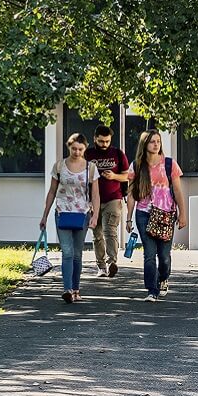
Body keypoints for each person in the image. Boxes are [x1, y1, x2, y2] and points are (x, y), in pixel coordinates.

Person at [125, 129, 187, 302]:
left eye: (158, 141)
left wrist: (183, 214)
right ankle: (152, 290)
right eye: (152, 141)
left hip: (166, 214)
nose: (156, 144)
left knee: (164, 256)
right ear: (145, 144)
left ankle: (163, 278)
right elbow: (131, 194)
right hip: (144, 213)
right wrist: (129, 218)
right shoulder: (136, 166)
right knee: (149, 254)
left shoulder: (169, 164)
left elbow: (177, 190)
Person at [40, 133, 101, 303]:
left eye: (80, 149)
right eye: (74, 148)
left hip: (82, 213)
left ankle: (76, 289)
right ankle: (67, 289)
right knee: (67, 252)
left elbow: (95, 195)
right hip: (62, 212)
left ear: (85, 148)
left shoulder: (91, 168)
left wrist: (95, 215)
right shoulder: (59, 166)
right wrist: (44, 215)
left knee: (77, 254)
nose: (77, 152)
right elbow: (52, 191)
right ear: (69, 147)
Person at [85, 125, 130, 277]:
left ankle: (112, 262)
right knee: (97, 234)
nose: (104, 144)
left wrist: (114, 177)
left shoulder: (117, 153)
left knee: (109, 230)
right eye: (101, 141)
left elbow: (127, 176)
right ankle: (101, 267)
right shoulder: (87, 154)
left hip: (113, 198)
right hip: (92, 200)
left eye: (107, 141)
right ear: (94, 139)